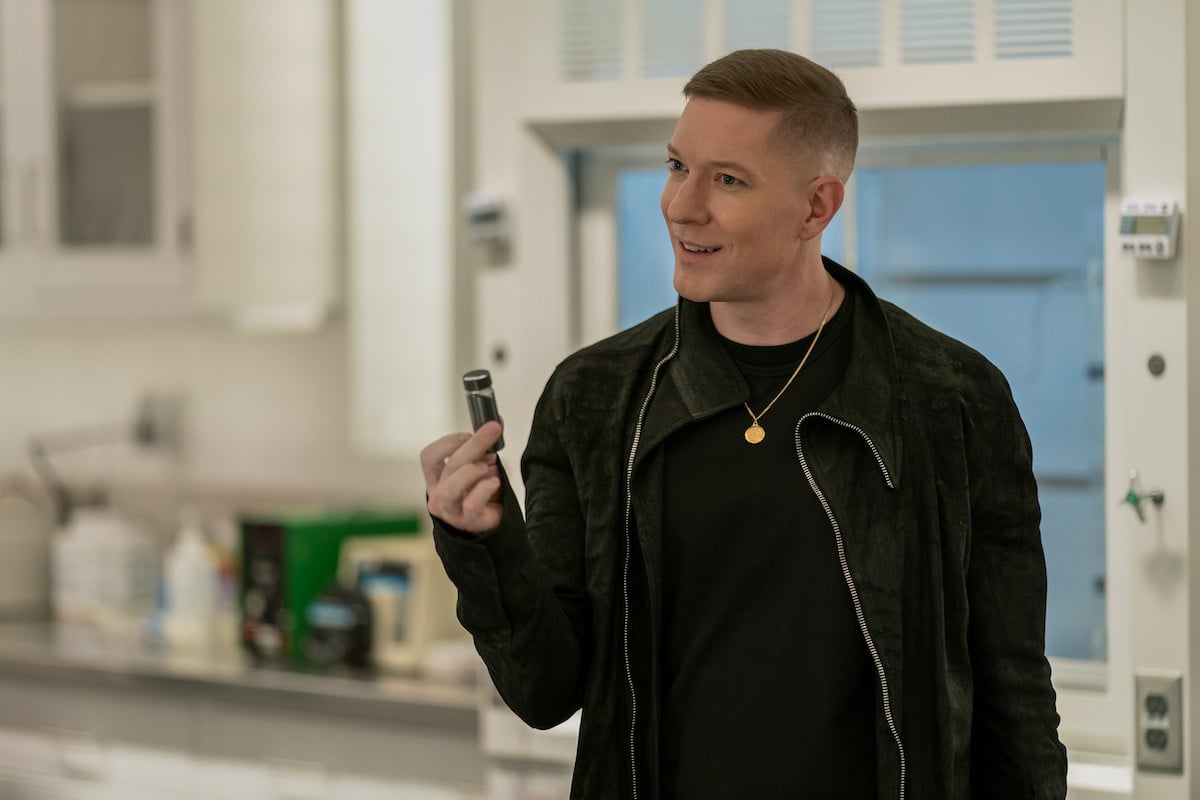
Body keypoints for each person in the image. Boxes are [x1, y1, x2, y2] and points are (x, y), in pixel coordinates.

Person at [421, 48, 1067, 800]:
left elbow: (1013, 692)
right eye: (675, 166)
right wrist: (483, 545)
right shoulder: (595, 397)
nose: (680, 205)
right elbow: (545, 690)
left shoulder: (951, 398)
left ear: (817, 207)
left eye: (727, 179)